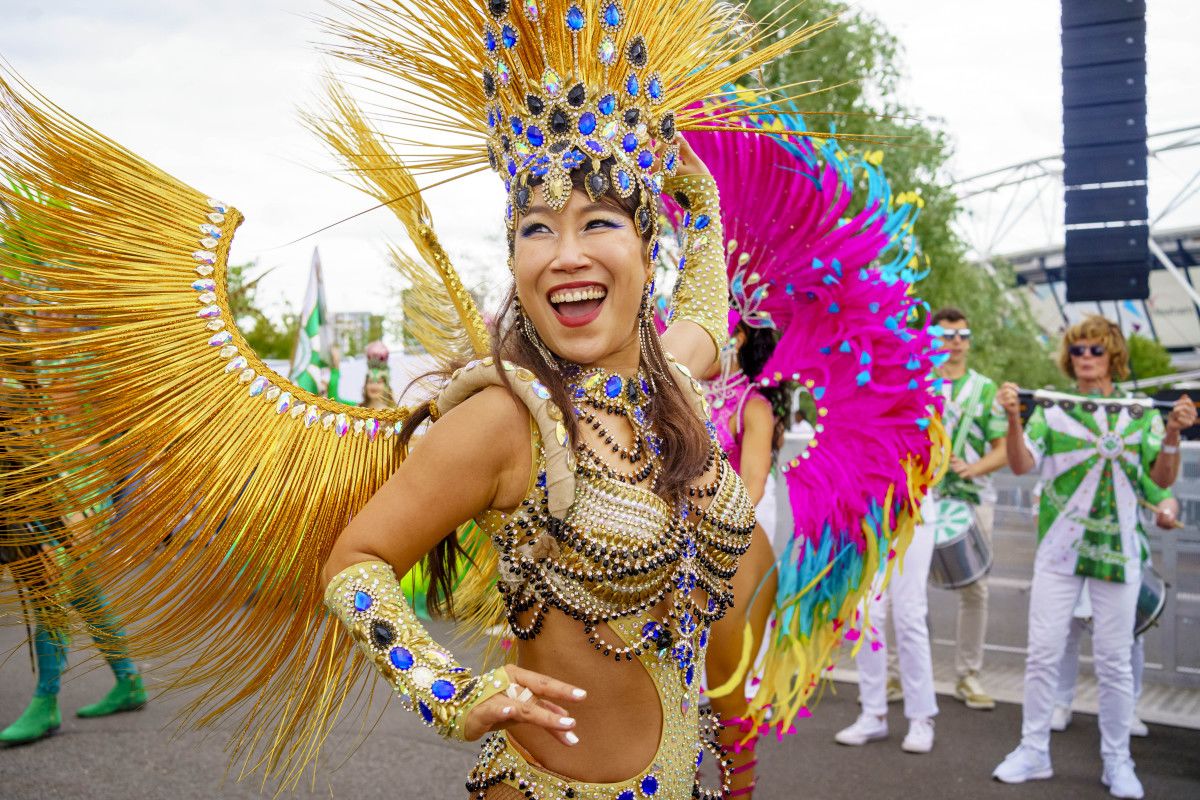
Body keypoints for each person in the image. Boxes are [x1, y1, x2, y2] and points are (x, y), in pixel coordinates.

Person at [993, 315, 1195, 799]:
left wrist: (1172, 431)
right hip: (1058, 551)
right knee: (1041, 654)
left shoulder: (1141, 412)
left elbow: (1163, 480)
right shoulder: (1054, 408)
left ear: (1113, 356)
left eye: (1095, 350)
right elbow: (1022, 465)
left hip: (1120, 552)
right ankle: (1033, 750)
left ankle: (1117, 761)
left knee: (1114, 662)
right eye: (1079, 350)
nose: (1085, 357)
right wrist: (1015, 417)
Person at [928, 306, 1008, 710]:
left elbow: (1004, 450)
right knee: (908, 591)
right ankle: (899, 673)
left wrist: (972, 468)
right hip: (923, 499)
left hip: (972, 499)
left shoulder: (985, 389)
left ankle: (968, 674)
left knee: (975, 587)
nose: (956, 342)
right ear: (932, 339)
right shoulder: (918, 385)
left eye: (963, 335)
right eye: (947, 335)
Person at [1051, 495, 1179, 738]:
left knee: (1129, 636)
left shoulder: (1133, 456)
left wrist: (1167, 510)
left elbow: (1163, 495)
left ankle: (1126, 709)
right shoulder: (1071, 457)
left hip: (1122, 554)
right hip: (1076, 550)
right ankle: (1060, 702)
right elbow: (1044, 491)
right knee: (1068, 630)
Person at [360, 340, 395, 410]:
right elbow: (335, 400)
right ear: (365, 384)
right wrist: (335, 371)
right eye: (370, 381)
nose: (374, 386)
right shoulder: (357, 410)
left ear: (386, 385)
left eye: (379, 382)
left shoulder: (394, 414)